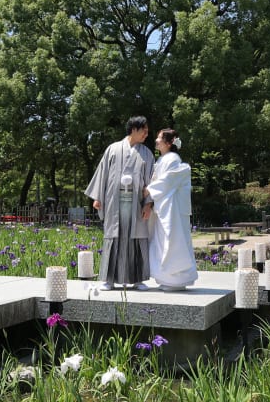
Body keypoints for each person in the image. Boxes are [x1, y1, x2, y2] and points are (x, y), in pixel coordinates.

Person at [85, 116, 155, 290]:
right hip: (114, 202)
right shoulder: (113, 149)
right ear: (134, 129)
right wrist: (97, 197)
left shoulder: (146, 153)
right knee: (113, 237)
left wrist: (148, 204)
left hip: (136, 203)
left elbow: (152, 181)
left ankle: (138, 279)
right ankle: (109, 280)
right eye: (144, 130)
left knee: (137, 238)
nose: (147, 134)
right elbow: (103, 173)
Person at [143, 129, 199, 291]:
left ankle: (177, 280)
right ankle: (166, 278)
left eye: (159, 138)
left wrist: (148, 190)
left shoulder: (173, 159)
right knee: (163, 242)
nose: (156, 140)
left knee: (174, 242)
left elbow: (169, 181)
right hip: (165, 208)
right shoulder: (163, 159)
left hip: (173, 209)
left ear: (169, 142)